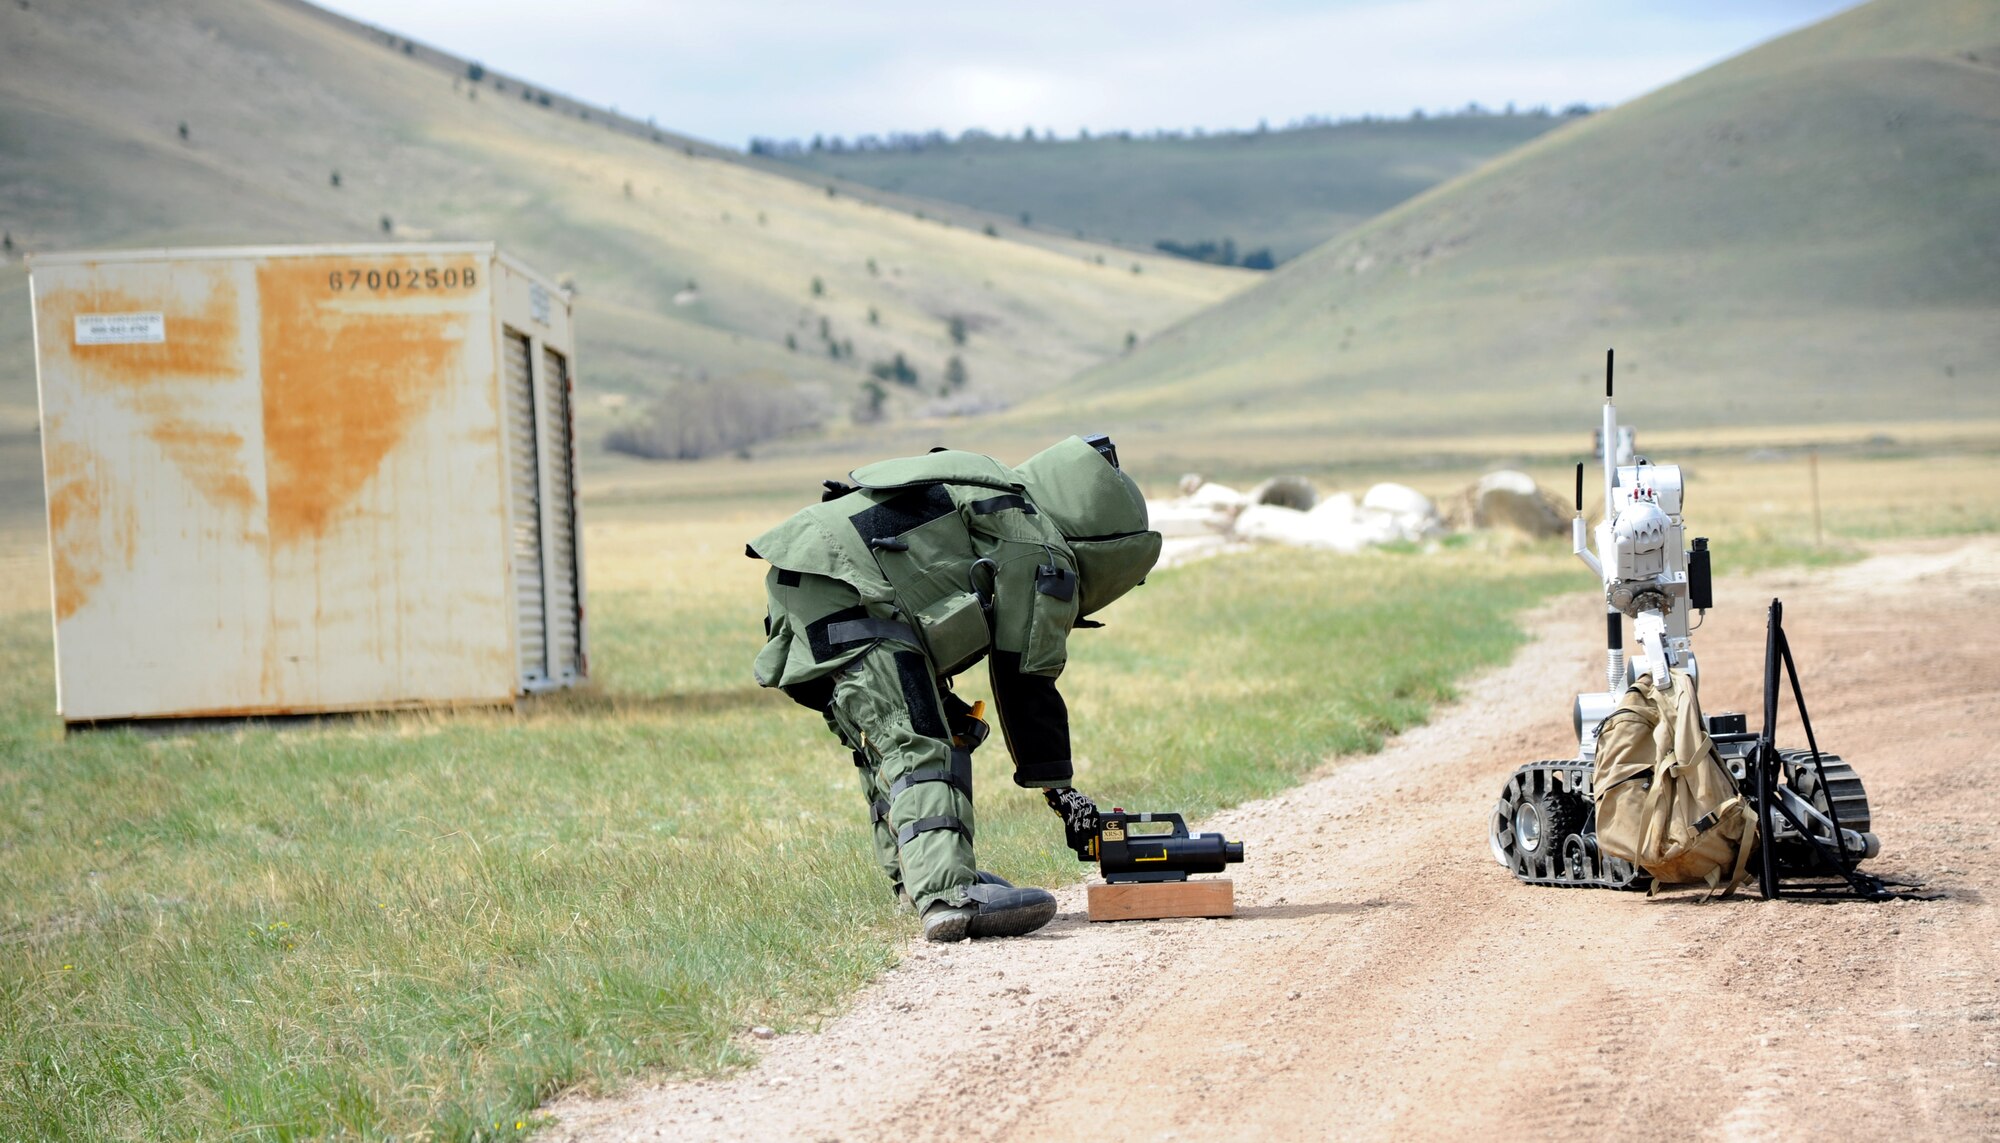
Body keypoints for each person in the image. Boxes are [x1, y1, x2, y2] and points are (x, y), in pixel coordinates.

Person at [748, 435, 1162, 941]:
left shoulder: (998, 498)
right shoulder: (1037, 544)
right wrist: (1062, 793)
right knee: (916, 740)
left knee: (894, 741)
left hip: (808, 591)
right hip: (852, 598)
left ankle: (918, 883)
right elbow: (1026, 677)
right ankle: (948, 896)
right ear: (1110, 551)